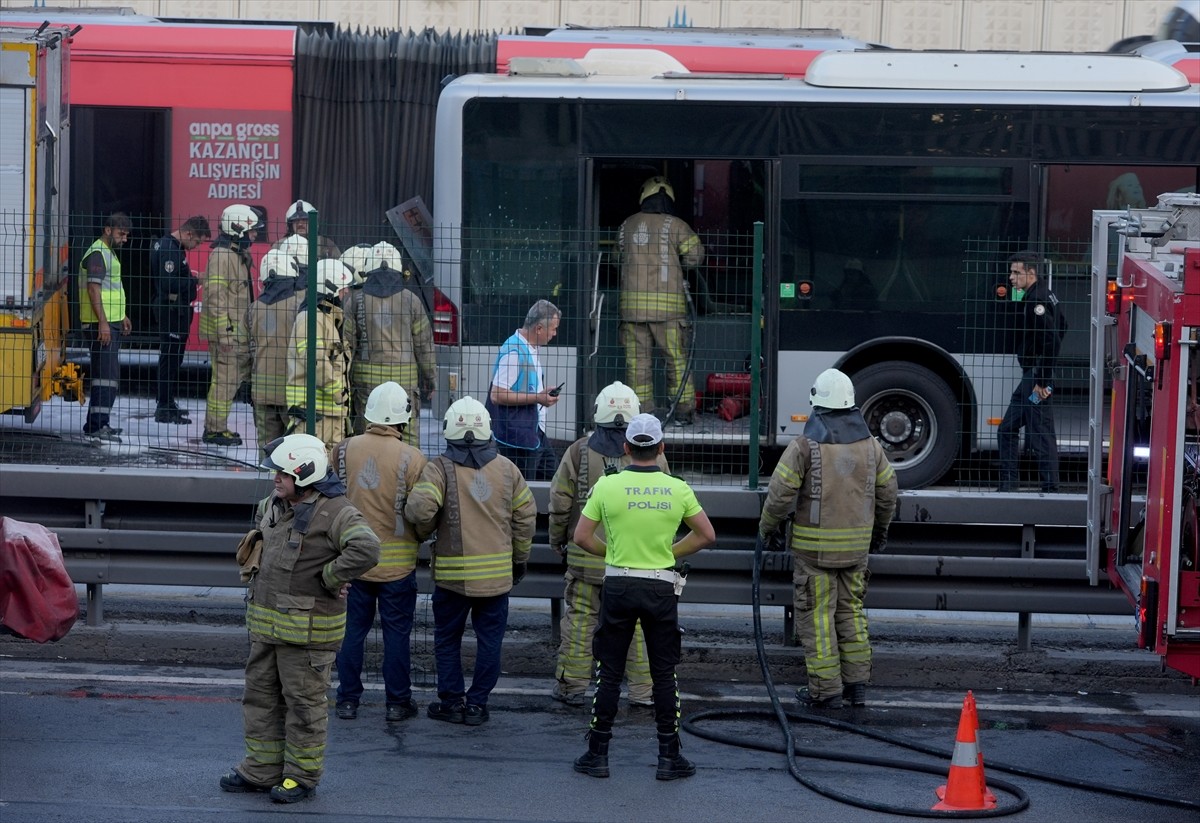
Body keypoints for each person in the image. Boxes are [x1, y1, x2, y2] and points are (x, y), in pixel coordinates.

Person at [219, 432, 380, 803]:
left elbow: (367, 548)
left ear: (305, 475)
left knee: (304, 707)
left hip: (307, 635)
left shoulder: (337, 512)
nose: (275, 478)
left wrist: (331, 577)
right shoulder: (271, 506)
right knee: (260, 699)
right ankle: (260, 770)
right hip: (265, 629)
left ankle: (301, 776)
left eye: (283, 473)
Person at [571, 413, 715, 781]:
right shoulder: (677, 488)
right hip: (660, 585)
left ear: (626, 449)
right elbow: (706, 536)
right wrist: (670, 553)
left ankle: (597, 755)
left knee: (609, 673)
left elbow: (582, 537)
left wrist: (615, 556)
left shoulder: (608, 486)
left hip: (618, 584)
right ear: (661, 448)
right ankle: (669, 758)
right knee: (663, 674)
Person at [757, 368, 898, 710]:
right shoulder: (872, 447)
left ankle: (826, 690)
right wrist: (878, 533)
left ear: (816, 406)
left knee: (817, 618)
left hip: (813, 553)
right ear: (852, 405)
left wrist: (767, 529)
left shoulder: (804, 446)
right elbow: (888, 493)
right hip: (855, 551)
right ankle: (857, 685)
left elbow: (778, 494)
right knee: (851, 612)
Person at [404, 396, 536, 726]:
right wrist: (518, 559)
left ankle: (451, 702)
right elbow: (526, 518)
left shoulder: (439, 469)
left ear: (449, 431)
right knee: (489, 642)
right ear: (487, 431)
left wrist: (427, 531)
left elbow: (419, 510)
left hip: (452, 579)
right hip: (496, 581)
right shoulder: (508, 469)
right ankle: (477, 705)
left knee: (447, 640)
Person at [548, 381, 660, 709]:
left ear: (598, 414)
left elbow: (559, 501)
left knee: (581, 621)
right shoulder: (651, 455)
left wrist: (558, 541)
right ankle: (643, 692)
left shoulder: (579, 451)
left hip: (587, 560)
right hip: (638, 563)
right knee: (639, 625)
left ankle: (571, 688)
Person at [331, 381, 428, 723]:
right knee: (397, 635)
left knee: (351, 632)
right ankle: (397, 703)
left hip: (352, 561)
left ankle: (346, 700)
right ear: (403, 417)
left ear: (369, 413)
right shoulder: (413, 458)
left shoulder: (343, 449)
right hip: (397, 567)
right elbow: (421, 511)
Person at [616, 176, 705, 426]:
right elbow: (696, 255)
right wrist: (679, 266)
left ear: (644, 197)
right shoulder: (677, 225)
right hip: (670, 313)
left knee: (638, 364)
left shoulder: (627, 225)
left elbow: (616, 257)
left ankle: (642, 414)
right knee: (676, 360)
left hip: (632, 312)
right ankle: (684, 413)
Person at [343, 242, 436, 443]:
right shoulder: (412, 301)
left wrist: (345, 381)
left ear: (368, 270)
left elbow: (347, 345)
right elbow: (424, 344)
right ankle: (411, 472)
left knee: (367, 433)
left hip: (366, 383)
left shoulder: (356, 300)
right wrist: (431, 377)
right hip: (405, 383)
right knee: (408, 435)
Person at [997, 251, 1067, 493]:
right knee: (1007, 428)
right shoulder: (1040, 294)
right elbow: (1063, 325)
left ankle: (1050, 488)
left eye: (1016, 273)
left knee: (1040, 430)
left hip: (1036, 379)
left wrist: (1042, 380)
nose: (1011, 277)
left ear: (1031, 273)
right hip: (1032, 377)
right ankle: (1008, 484)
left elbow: (1052, 340)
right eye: (1011, 272)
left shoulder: (1036, 302)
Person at [201, 204, 259, 446]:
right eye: (252, 230)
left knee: (230, 380)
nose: (255, 235)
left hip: (236, 332)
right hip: (227, 334)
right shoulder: (223, 256)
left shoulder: (234, 254)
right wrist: (224, 334)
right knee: (225, 381)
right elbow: (215, 297)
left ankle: (216, 426)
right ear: (238, 229)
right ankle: (215, 430)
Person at [486, 299, 562, 480]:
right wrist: (537, 397)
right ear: (539, 329)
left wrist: (542, 396)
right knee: (524, 492)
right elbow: (497, 395)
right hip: (518, 439)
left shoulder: (529, 348)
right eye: (553, 328)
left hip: (533, 433)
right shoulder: (514, 352)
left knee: (555, 480)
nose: (554, 333)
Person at [286, 258, 354, 449]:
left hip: (332, 413)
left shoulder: (329, 318)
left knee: (332, 473)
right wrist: (338, 392)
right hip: (313, 415)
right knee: (304, 467)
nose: (346, 291)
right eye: (343, 287)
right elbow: (314, 360)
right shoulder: (310, 319)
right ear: (329, 286)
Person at [151, 215, 211, 425]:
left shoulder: (173, 247)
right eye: (197, 242)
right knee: (170, 359)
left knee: (174, 359)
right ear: (188, 233)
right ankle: (164, 407)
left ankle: (168, 402)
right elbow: (169, 284)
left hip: (175, 311)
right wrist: (194, 280)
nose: (196, 247)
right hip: (171, 312)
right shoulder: (169, 249)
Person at [247, 238, 306, 447]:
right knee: (292, 449)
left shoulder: (254, 308)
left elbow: (248, 349)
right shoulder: (299, 307)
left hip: (261, 391)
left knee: (267, 448)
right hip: (290, 392)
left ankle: (266, 479)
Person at [78, 212, 133, 441]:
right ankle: (97, 426)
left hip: (110, 321)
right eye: (121, 234)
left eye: (127, 235)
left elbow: (111, 289)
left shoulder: (106, 252)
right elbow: (94, 289)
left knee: (106, 376)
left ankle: (97, 424)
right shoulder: (99, 253)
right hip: (101, 324)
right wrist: (103, 323)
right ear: (108, 230)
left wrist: (121, 315)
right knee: (106, 377)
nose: (125, 239)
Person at [273, 199, 341, 260]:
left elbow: (338, 267)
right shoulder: (279, 244)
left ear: (313, 223)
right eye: (296, 221)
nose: (300, 224)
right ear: (290, 225)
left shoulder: (325, 243)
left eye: (305, 220)